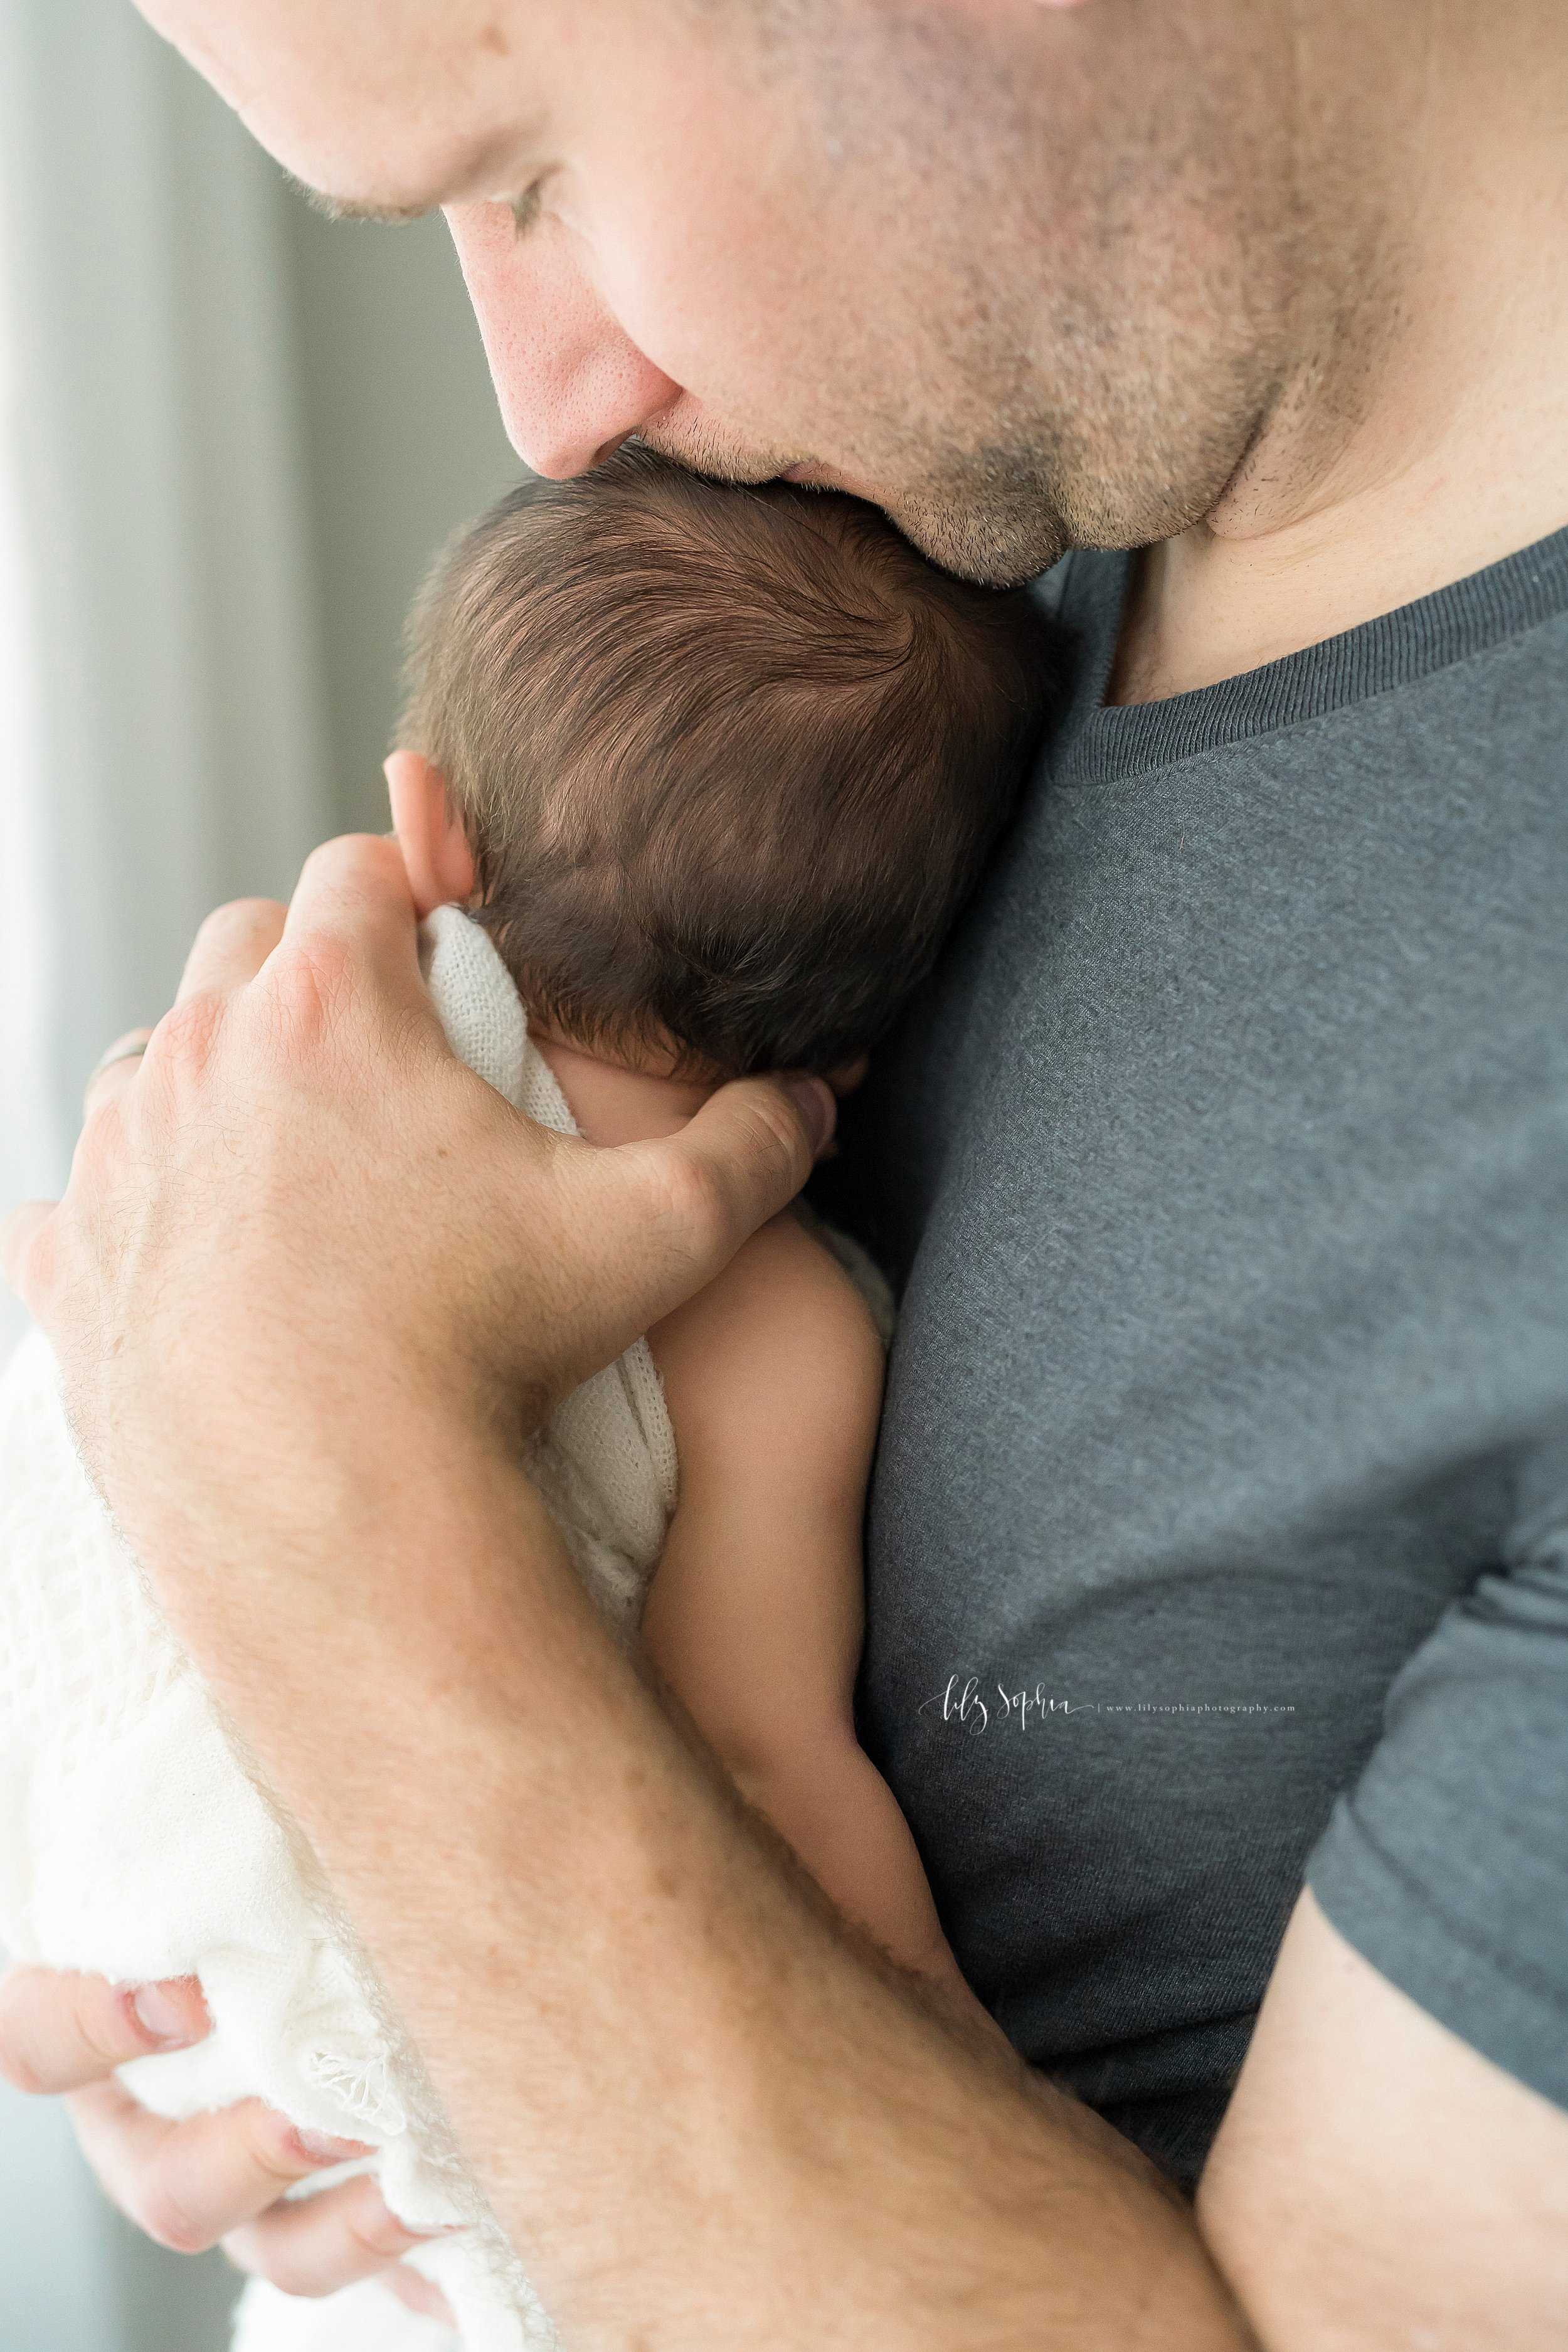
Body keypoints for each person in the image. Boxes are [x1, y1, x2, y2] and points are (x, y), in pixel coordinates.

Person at [1, 1, 1565, 2345]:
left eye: (523, 172)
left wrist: (315, 1512)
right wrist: (199, 1950)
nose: (540, 408)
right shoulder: (911, 585)